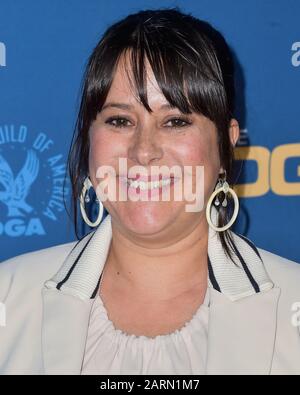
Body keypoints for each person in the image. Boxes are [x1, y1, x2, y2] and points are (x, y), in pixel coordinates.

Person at [0, 7, 300, 375]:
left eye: (175, 122)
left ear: (226, 144)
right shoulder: (8, 297)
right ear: (88, 138)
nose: (143, 152)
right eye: (120, 120)